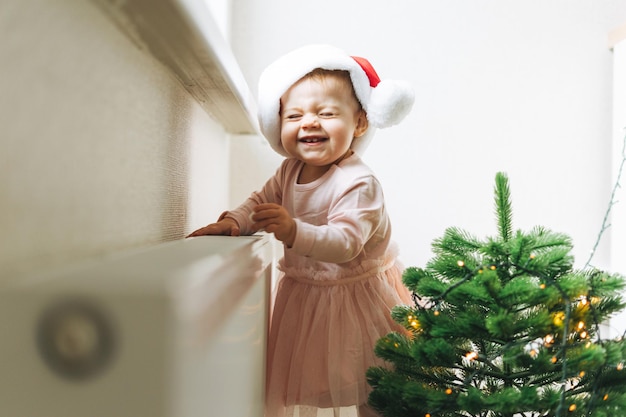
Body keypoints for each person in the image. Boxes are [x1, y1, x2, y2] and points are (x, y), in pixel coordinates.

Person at [188, 44, 415, 417]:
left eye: (326, 113)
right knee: (318, 381)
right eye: (294, 115)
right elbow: (259, 202)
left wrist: (293, 230)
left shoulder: (358, 183)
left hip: (358, 296)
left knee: (375, 386)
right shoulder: (289, 170)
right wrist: (235, 221)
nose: (309, 122)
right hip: (311, 295)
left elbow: (345, 243)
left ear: (359, 123)